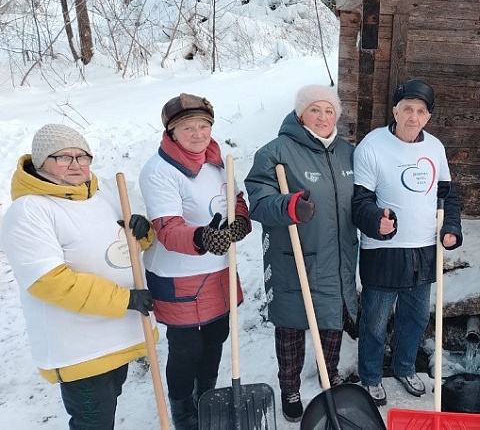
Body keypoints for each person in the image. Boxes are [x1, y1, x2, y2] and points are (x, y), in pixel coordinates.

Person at [0, 124, 155, 430]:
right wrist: (125, 299)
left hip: (118, 334)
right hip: (79, 348)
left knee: (104, 413)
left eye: (83, 156)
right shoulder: (29, 211)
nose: (76, 164)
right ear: (41, 162)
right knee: (93, 423)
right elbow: (50, 281)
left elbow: (121, 251)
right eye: (64, 157)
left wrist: (142, 232)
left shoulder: (101, 195)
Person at [244, 85, 358, 423]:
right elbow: (258, 202)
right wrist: (289, 205)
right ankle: (290, 387)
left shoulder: (348, 153)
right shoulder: (275, 152)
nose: (322, 117)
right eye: (315, 110)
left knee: (332, 320)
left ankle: (330, 375)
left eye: (328, 110)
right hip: (294, 256)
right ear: (300, 114)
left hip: (338, 256)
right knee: (292, 325)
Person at [139, 94, 251, 430]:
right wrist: (202, 238)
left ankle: (206, 396)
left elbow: (236, 199)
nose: (199, 133)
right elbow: (168, 229)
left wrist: (241, 220)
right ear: (172, 133)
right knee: (186, 348)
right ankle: (183, 409)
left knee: (216, 338)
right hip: (179, 274)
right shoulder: (159, 171)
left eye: (204, 125)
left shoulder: (217, 162)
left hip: (218, 271)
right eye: (188, 127)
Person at [352, 79, 463, 406]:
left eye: (421, 111)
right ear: (395, 110)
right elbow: (360, 203)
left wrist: (451, 227)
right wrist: (376, 221)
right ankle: (370, 376)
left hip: (424, 250)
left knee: (414, 319)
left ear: (428, 116)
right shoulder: (372, 146)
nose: (413, 117)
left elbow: (448, 197)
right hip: (383, 251)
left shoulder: (435, 149)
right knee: (374, 320)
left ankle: (403, 367)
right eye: (408, 109)